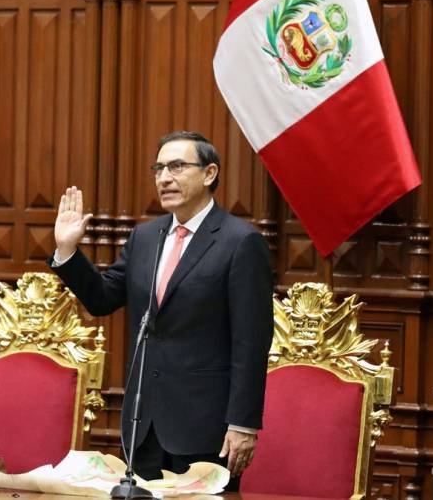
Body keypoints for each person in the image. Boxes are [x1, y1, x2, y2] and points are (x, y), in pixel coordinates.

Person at [50, 131, 274, 484]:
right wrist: (68, 252)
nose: (164, 178)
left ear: (209, 173)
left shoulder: (240, 242)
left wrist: (243, 423)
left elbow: (251, 342)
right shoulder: (145, 237)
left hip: (205, 427)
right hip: (144, 424)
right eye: (158, 169)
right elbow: (103, 298)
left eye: (177, 167)